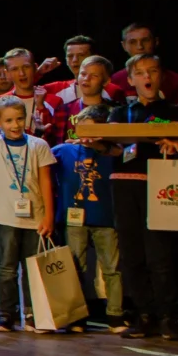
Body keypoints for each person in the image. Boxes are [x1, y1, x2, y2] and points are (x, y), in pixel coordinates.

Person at [106, 54, 178, 340]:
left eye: (153, 71)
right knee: (132, 254)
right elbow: (112, 149)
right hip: (124, 186)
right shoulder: (119, 113)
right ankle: (143, 315)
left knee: (161, 254)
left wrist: (177, 144)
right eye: (140, 73)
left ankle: (168, 316)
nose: (147, 77)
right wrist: (96, 143)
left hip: (159, 185)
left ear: (161, 76)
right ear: (131, 79)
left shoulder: (173, 111)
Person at [0, 93, 56, 332]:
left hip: (35, 216)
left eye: (19, 119)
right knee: (7, 267)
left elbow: (46, 183)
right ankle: (6, 313)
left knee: (32, 267)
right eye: (8, 121)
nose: (15, 125)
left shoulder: (38, 145)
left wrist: (49, 216)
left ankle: (32, 313)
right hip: (4, 215)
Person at [54, 103, 124, 332]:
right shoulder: (65, 150)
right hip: (74, 219)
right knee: (76, 267)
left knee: (111, 268)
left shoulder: (113, 154)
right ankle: (77, 317)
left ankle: (115, 315)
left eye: (90, 131)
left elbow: (123, 151)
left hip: (105, 218)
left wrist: (103, 145)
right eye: (81, 131)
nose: (84, 137)